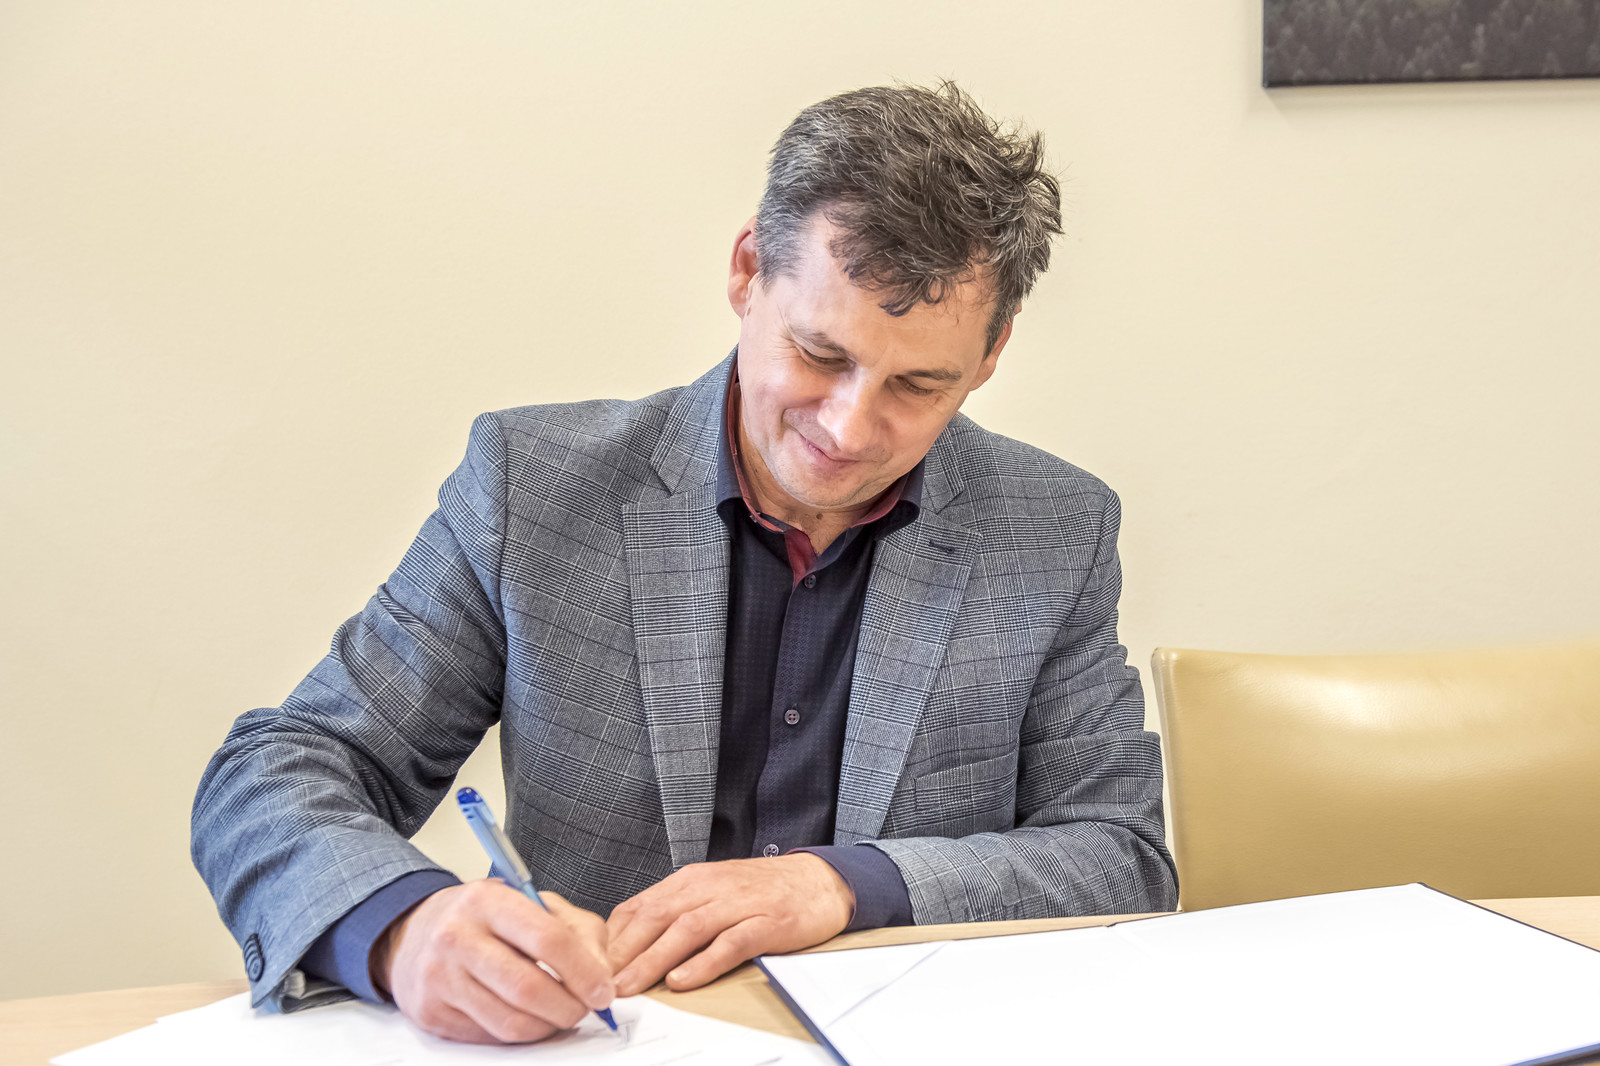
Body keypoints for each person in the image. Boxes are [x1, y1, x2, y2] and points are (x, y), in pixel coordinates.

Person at [191, 81, 1177, 1045]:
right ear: (748, 271)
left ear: (992, 353)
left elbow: (1119, 854)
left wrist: (844, 884)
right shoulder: (532, 486)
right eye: (820, 354)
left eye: (918, 385)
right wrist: (402, 927)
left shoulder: (1054, 528)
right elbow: (276, 771)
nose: (849, 428)